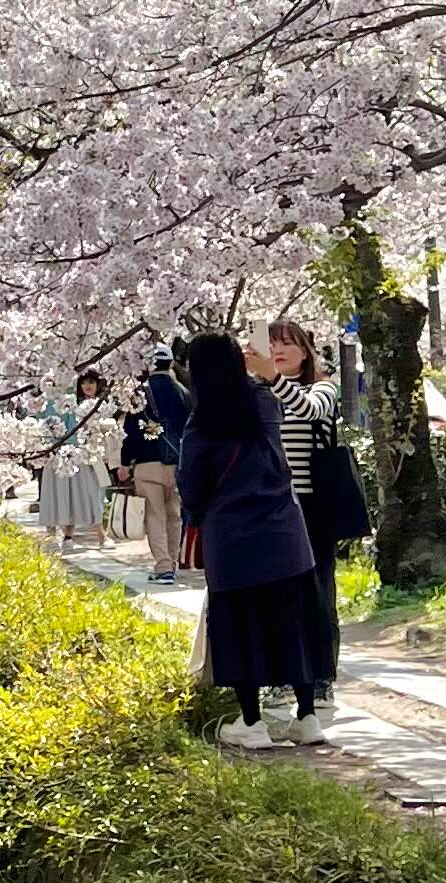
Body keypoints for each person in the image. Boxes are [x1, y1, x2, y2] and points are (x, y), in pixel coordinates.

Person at [174, 332, 328, 748]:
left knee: (240, 627)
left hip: (234, 539)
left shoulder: (203, 421)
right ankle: (307, 717)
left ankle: (252, 722)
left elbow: (190, 485)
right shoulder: (264, 403)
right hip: (286, 534)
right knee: (294, 622)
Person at [259, 317, 343, 708]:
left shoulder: (323, 389)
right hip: (274, 508)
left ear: (305, 350)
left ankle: (322, 677)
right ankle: (281, 677)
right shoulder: (258, 394)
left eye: (288, 344)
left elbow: (310, 411)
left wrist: (273, 380)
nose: (278, 350)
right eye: (272, 343)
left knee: (318, 593)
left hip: (314, 506)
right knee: (277, 594)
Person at [121, 353, 184, 576]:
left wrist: (125, 461)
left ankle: (163, 565)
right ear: (171, 362)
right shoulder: (183, 391)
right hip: (177, 462)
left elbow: (130, 431)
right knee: (174, 515)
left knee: (154, 514)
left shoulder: (140, 394)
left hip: (147, 461)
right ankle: (173, 562)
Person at [32, 369, 111, 542]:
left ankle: (92, 532)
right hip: (71, 453)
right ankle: (87, 533)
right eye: (84, 382)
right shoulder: (62, 401)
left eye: (91, 382)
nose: (87, 386)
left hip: (82, 453)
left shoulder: (85, 401)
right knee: (79, 492)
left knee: (87, 491)